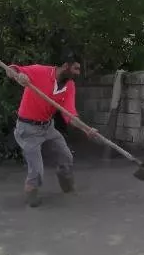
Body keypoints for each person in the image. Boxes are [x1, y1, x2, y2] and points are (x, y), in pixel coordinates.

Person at [8, 53, 96, 207]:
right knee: (36, 169)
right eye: (76, 68)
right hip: (27, 129)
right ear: (66, 65)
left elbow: (69, 113)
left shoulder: (69, 86)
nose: (78, 73)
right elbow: (11, 69)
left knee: (66, 156)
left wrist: (85, 129)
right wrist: (18, 76)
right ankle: (31, 193)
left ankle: (66, 184)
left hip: (48, 127)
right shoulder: (40, 71)